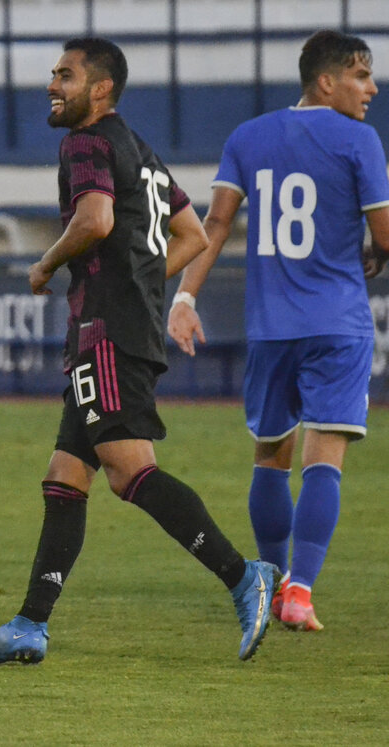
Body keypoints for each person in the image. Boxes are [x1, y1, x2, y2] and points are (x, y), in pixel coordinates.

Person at [0, 37, 277, 665]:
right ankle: (30, 624)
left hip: (107, 331)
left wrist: (47, 264)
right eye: (53, 73)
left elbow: (97, 220)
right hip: (120, 325)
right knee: (65, 476)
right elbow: (191, 233)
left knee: (131, 471)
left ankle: (244, 577)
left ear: (100, 88)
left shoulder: (87, 142)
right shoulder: (140, 149)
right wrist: (141, 280)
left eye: (66, 75)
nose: (53, 83)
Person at [168, 30, 389, 632]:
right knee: (326, 458)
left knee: (270, 455)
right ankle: (301, 593)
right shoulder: (361, 140)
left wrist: (184, 296)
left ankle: (267, 580)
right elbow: (386, 235)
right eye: (361, 75)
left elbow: (214, 222)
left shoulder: (249, 136)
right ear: (326, 80)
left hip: (271, 326)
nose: (371, 88)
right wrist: (374, 248)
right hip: (339, 324)